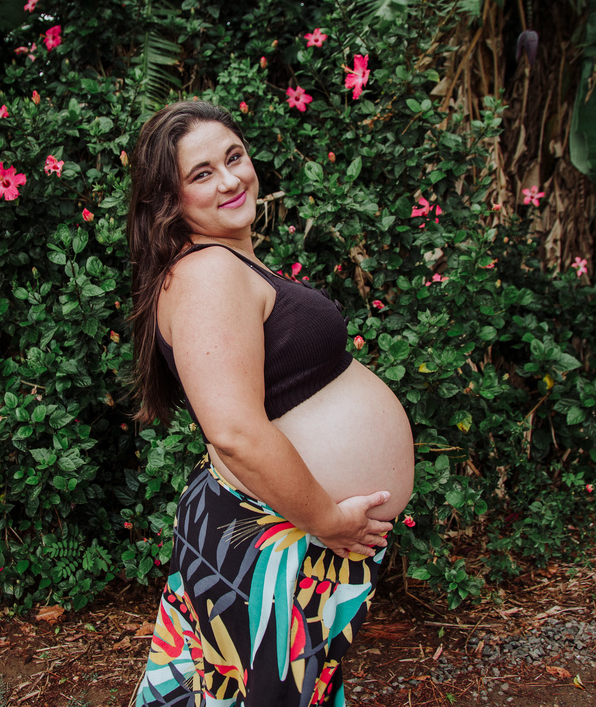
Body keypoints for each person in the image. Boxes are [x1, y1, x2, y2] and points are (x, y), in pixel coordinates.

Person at [127, 100, 415, 706]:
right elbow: (234, 431)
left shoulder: (227, 263)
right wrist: (328, 520)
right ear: (169, 199)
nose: (230, 179)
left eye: (234, 157)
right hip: (274, 537)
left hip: (283, 535)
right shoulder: (208, 272)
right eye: (202, 173)